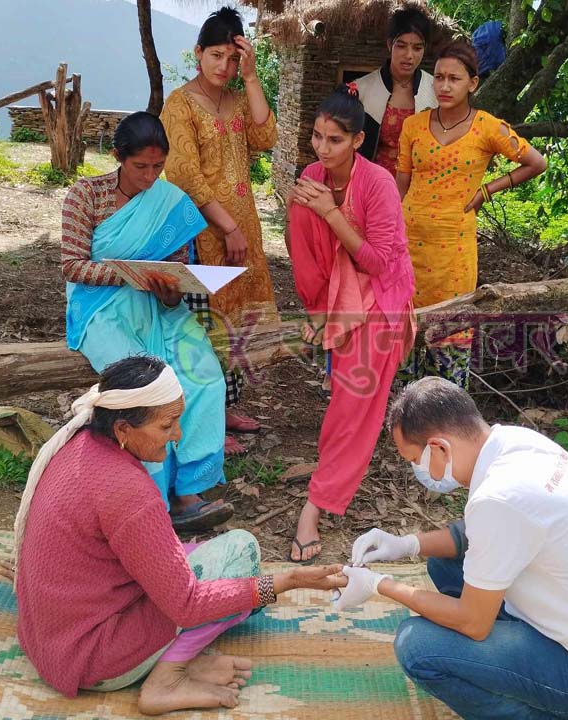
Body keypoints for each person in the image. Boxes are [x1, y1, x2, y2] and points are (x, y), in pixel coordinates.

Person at [13, 355, 345, 714]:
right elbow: (187, 605)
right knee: (241, 553)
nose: (177, 435)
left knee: (213, 575)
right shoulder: (128, 492)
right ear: (123, 429)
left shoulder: (78, 442)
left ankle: (171, 659)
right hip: (94, 658)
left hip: (50, 641)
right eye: (167, 425)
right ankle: (168, 679)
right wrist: (285, 581)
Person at [334, 377, 568, 720]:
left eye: (415, 459)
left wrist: (379, 585)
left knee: (416, 646)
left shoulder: (500, 498)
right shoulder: (515, 443)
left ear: (440, 448)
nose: (418, 471)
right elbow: (474, 534)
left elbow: (473, 623)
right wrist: (406, 545)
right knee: (441, 565)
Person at [61, 111, 233, 532]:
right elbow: (72, 266)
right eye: (141, 166)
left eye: (158, 166)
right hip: (99, 309)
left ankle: (189, 487)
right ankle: (147, 496)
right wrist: (127, 273)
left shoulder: (170, 202)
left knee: (203, 373)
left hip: (159, 307)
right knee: (143, 388)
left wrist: (170, 289)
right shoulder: (85, 196)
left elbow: (174, 269)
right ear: (118, 156)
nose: (150, 176)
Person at [285, 85, 417, 562]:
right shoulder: (312, 176)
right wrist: (316, 307)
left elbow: (381, 263)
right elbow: (304, 249)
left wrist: (333, 212)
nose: (322, 149)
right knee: (301, 204)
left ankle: (314, 507)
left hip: (380, 291)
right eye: (317, 137)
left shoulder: (378, 183)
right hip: (332, 291)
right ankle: (321, 315)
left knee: (353, 400)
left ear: (357, 141)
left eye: (334, 140)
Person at [161, 7, 279, 456]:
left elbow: (266, 137)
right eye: (216, 56)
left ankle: (226, 407)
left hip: (243, 229)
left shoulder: (236, 98)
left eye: (233, 59)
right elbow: (185, 173)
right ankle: (203, 418)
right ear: (198, 53)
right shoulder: (180, 104)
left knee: (235, 325)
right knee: (203, 325)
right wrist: (226, 226)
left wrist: (251, 79)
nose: (224, 67)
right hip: (202, 233)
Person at [396, 39, 547, 388]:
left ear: (473, 83)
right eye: (439, 77)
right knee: (405, 338)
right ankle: (407, 424)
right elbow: (400, 184)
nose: (445, 86)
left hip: (455, 251)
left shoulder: (488, 127)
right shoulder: (413, 126)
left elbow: (536, 162)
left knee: (450, 337)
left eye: (455, 78)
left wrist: (488, 190)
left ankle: (448, 422)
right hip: (408, 244)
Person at [353, 5, 438, 173]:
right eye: (401, 46)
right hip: (373, 184)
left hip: (420, 188)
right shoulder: (362, 89)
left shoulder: (435, 90)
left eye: (417, 48)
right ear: (389, 45)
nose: (409, 55)